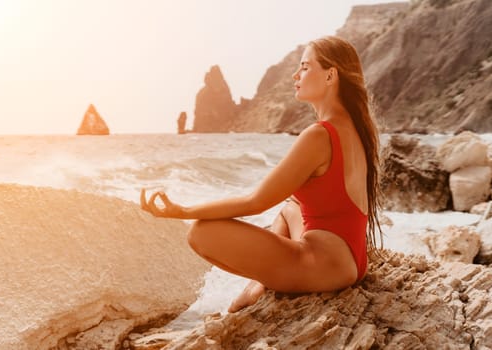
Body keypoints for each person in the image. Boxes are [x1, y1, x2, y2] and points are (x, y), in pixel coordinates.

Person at [140, 35, 382, 313]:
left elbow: (255, 202)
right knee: (291, 206)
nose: (296, 74)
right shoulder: (355, 128)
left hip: (324, 268)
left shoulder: (319, 135)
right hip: (351, 260)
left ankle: (258, 284)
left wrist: (181, 211)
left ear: (330, 76)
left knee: (201, 232)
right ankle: (260, 282)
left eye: (304, 66)